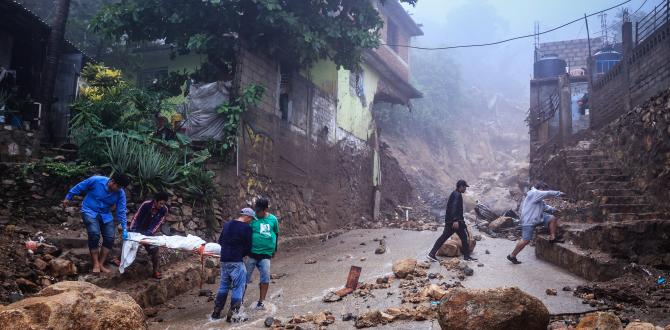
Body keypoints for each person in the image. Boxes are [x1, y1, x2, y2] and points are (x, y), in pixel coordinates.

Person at [63, 173, 130, 273]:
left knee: (110, 237)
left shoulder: (120, 193)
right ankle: (95, 263)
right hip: (89, 210)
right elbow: (80, 187)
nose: (119, 189)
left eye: (121, 187)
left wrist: (124, 228)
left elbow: (121, 211)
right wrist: (68, 197)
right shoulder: (96, 180)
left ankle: (101, 263)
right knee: (94, 233)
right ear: (112, 181)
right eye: (118, 186)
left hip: (105, 214)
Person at [212, 208, 254, 321]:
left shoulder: (227, 224)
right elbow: (249, 247)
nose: (251, 221)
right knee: (238, 286)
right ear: (247, 217)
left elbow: (220, 241)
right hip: (236, 260)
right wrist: (241, 253)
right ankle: (234, 315)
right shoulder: (247, 228)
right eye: (251, 219)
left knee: (223, 286)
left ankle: (216, 312)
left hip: (224, 260)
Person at [507, 182, 564, 264]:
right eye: (543, 190)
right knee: (526, 240)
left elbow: (545, 207)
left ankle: (552, 237)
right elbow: (547, 193)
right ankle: (512, 255)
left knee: (552, 218)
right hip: (529, 220)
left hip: (537, 219)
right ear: (540, 188)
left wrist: (554, 210)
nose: (544, 192)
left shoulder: (538, 198)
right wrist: (559, 193)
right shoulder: (534, 193)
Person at [427, 179, 477, 262]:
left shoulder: (455, 194)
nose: (465, 189)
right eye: (465, 187)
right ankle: (466, 257)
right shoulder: (457, 195)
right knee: (461, 237)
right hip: (454, 223)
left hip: (453, 222)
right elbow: (454, 208)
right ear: (461, 186)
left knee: (463, 237)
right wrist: (455, 220)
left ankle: (466, 256)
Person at [245, 198, 279, 310]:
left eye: (259, 210)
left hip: (266, 254)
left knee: (265, 278)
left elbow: (276, 234)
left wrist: (274, 249)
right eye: (257, 210)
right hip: (252, 254)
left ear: (265, 209)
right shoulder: (252, 218)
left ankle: (261, 301)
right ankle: (238, 301)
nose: (257, 212)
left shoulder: (273, 219)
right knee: (244, 278)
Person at [128, 191, 170, 279]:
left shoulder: (164, 210)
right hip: (137, 230)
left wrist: (148, 234)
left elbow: (158, 223)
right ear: (155, 201)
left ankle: (155, 271)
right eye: (161, 203)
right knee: (129, 244)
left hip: (149, 234)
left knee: (155, 250)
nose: (162, 205)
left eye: (164, 203)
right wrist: (133, 230)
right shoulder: (146, 204)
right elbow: (136, 217)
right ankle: (119, 259)